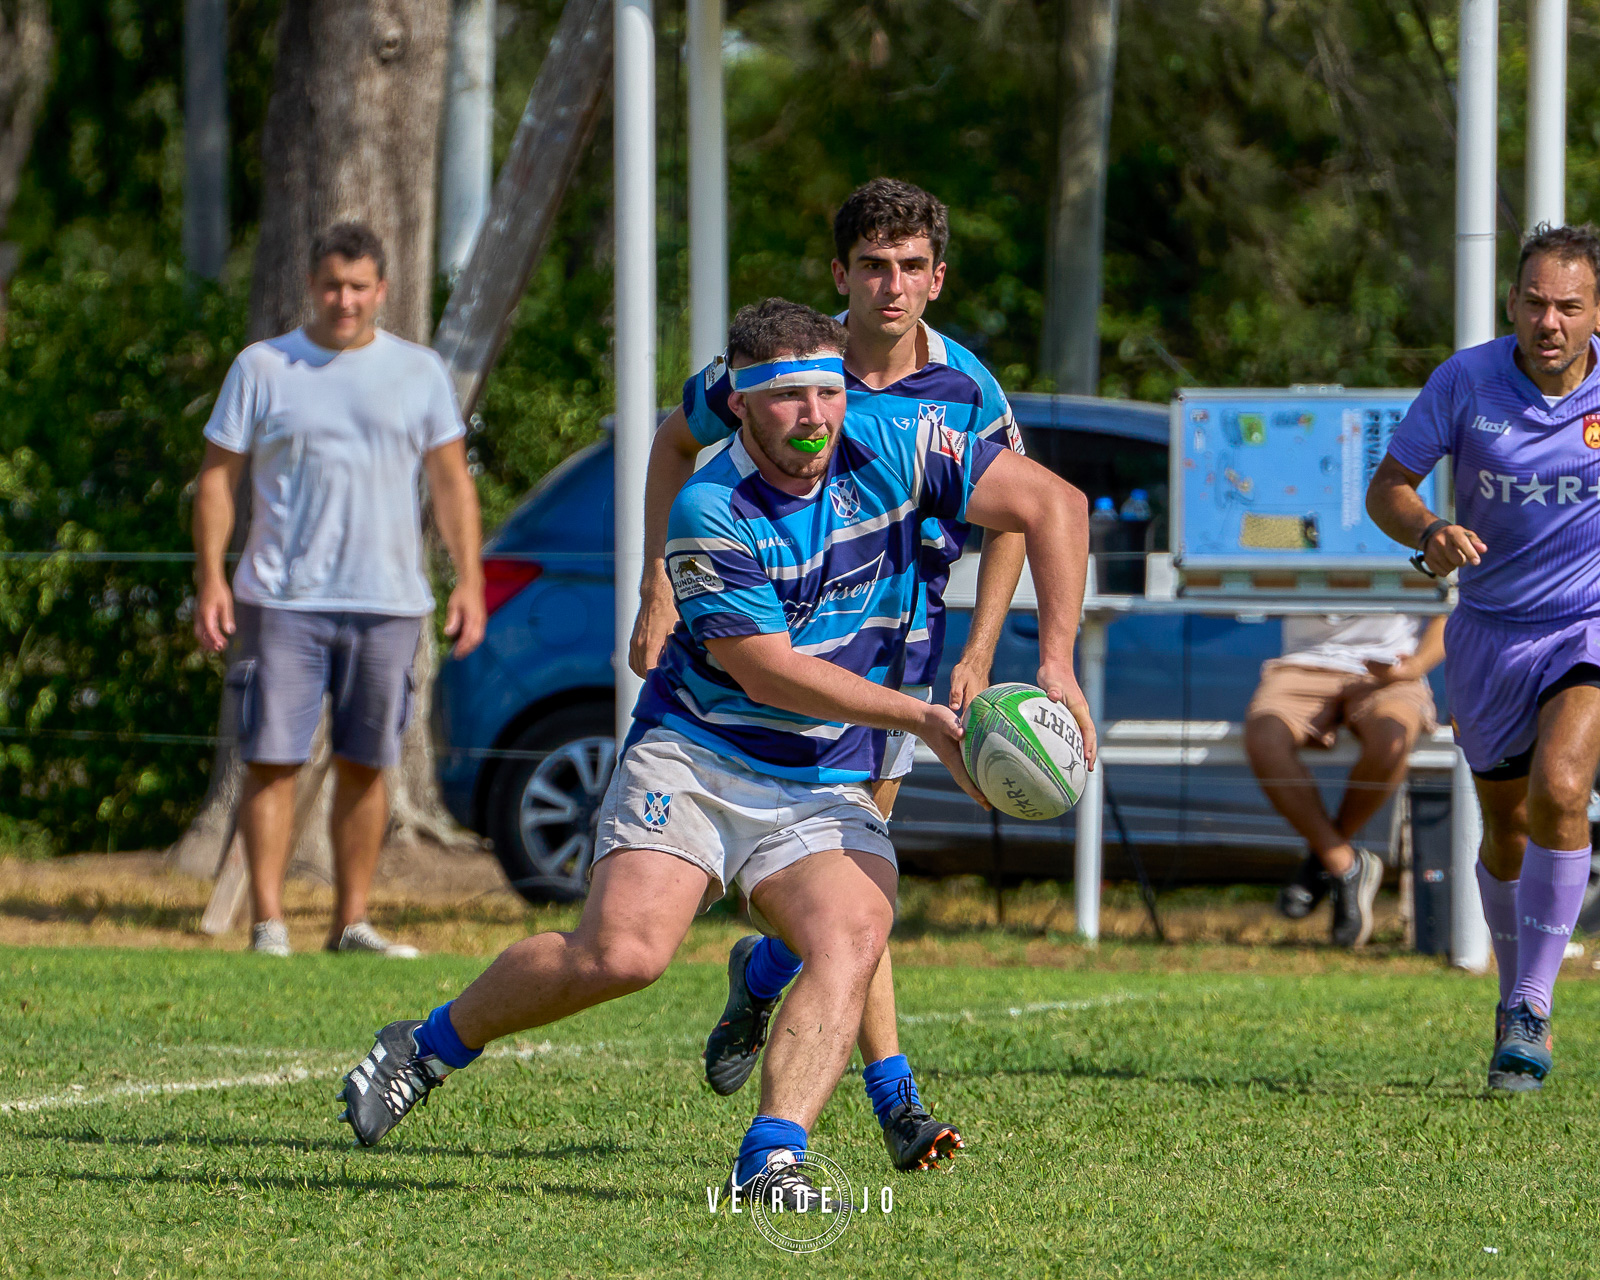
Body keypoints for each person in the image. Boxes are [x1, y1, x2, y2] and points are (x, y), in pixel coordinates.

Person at [337, 301, 1093, 1207]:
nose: (815, 416)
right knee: (622, 956)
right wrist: (926, 718)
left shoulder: (897, 442)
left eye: (828, 391)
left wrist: (1054, 663)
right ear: (740, 404)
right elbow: (768, 673)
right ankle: (427, 1045)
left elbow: (1056, 505)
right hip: (697, 757)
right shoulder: (710, 510)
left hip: (825, 777)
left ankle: (773, 1156)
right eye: (788, 399)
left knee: (852, 936)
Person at [628, 179, 1031, 1170]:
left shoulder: (968, 389)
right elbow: (674, 438)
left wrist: (978, 653)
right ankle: (895, 1095)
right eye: (870, 265)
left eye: (909, 267)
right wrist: (658, 578)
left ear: (936, 278)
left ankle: (764, 972)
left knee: (859, 877)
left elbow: (1019, 513)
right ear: (839, 272)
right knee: (854, 887)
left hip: (892, 662)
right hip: (774, 658)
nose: (889, 286)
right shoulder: (784, 362)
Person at [192, 222, 486, 958]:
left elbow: (451, 482)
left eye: (359, 287)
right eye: (332, 286)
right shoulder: (264, 367)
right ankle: (268, 924)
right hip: (280, 598)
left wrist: (469, 581)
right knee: (272, 757)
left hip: (389, 600)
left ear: (382, 290)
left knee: (367, 760)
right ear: (311, 286)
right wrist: (210, 579)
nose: (344, 300)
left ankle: (351, 922)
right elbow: (218, 479)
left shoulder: (418, 372)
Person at [1367, 222, 1600, 1091]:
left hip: (1588, 623)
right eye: (1536, 303)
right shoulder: (1465, 380)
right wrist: (1429, 531)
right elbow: (1388, 486)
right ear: (1512, 304)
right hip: (1490, 633)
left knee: (1563, 789)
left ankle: (1536, 1005)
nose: (1550, 321)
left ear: (1595, 313)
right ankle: (1515, 1000)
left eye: (1569, 306)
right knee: (1506, 828)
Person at [1246, 613, 1446, 947]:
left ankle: (1326, 857)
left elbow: (1450, 606)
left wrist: (1416, 667)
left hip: (1390, 668)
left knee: (1393, 739)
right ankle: (1342, 861)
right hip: (1301, 664)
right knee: (1264, 739)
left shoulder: (1420, 555)